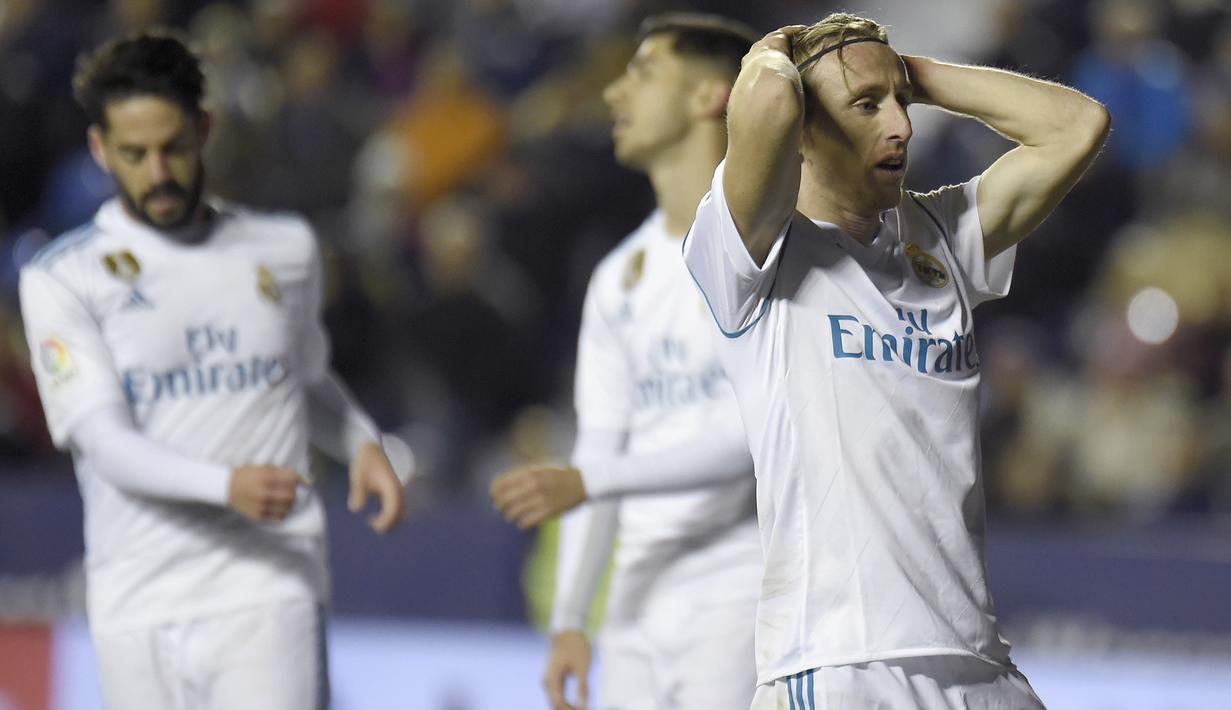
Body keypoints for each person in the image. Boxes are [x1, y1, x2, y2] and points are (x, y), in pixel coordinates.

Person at [681, 12, 1109, 709]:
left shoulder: (940, 237)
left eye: (900, 105)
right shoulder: (750, 254)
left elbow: (1078, 125)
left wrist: (900, 72)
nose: (902, 126)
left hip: (979, 662)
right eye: (866, 107)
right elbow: (760, 98)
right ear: (805, 128)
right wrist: (789, 53)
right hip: (842, 662)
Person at [18, 30, 406, 710]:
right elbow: (105, 442)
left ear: (203, 129)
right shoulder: (61, 279)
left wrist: (360, 440)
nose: (157, 173)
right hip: (135, 597)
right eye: (134, 155)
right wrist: (226, 486)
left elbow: (306, 376)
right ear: (100, 150)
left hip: (266, 588)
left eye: (172, 147)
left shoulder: (284, 250)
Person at [489, 13, 763, 710]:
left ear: (709, 97)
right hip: (636, 602)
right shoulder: (619, 275)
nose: (614, 93)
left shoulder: (767, 250)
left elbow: (753, 441)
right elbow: (598, 444)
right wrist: (571, 619)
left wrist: (591, 478)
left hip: (743, 590)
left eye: (642, 73)